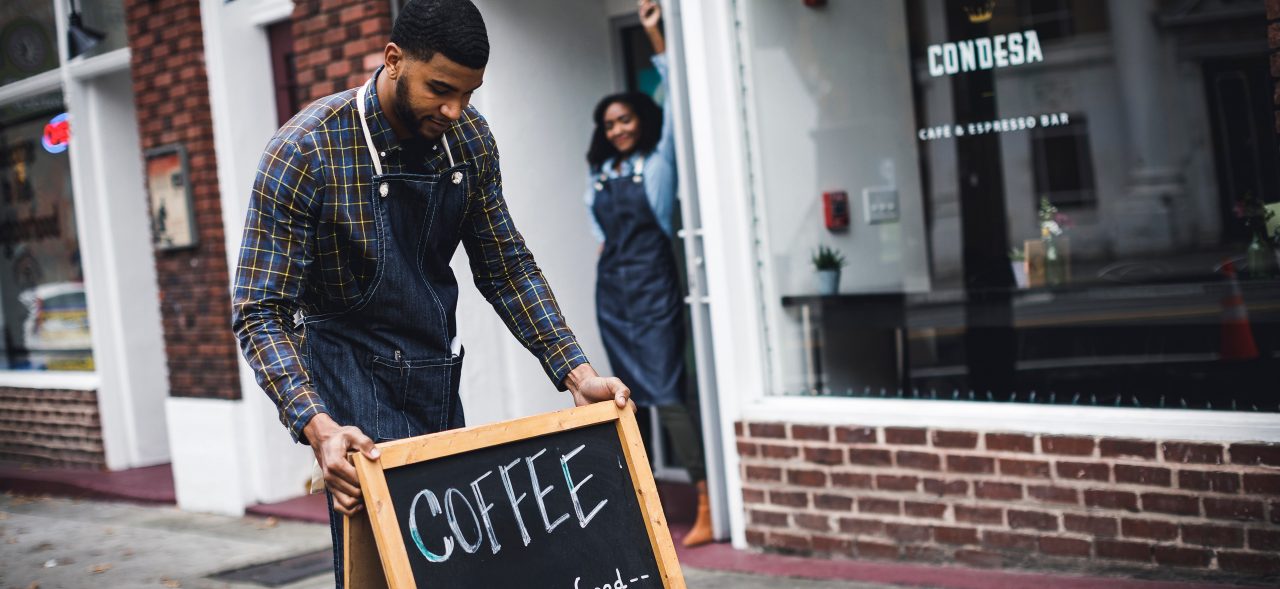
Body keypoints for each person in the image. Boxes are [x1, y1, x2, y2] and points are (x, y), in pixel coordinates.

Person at [231, 0, 630, 584]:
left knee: (451, 568)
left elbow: (506, 266)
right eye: (440, 89)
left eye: (469, 94)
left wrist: (577, 372)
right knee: (394, 566)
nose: (454, 109)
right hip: (349, 385)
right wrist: (316, 426)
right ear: (393, 60)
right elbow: (260, 311)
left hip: (436, 375)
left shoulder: (468, 138)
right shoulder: (306, 151)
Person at [585, 0, 712, 547]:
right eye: (609, 124)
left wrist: (655, 35)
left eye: (625, 120)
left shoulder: (658, 166)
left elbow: (678, 99)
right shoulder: (599, 174)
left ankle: (706, 498)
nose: (616, 130)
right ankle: (641, 499)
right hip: (613, 295)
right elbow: (598, 234)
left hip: (655, 289)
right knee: (623, 396)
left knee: (668, 394)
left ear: (642, 121)